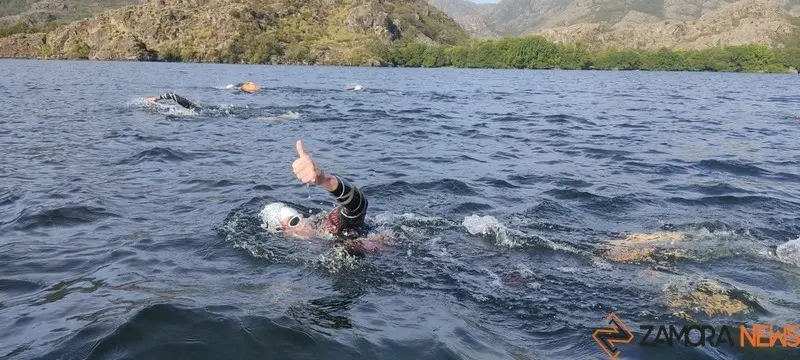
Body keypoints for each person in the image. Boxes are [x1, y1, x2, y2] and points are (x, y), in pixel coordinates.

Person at [261, 140, 385, 254]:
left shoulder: (329, 223)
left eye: (296, 220)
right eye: (293, 224)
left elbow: (358, 205)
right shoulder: (316, 247)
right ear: (286, 234)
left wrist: (326, 180)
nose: (301, 224)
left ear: (301, 215)